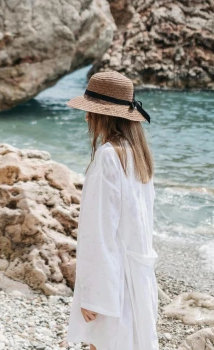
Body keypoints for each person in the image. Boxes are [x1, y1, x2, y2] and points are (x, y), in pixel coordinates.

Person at [64, 71, 158, 350]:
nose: (86, 118)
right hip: (138, 278)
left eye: (90, 112)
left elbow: (99, 232)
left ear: (102, 115)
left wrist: (92, 295)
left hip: (114, 281)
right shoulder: (137, 154)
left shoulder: (108, 157)